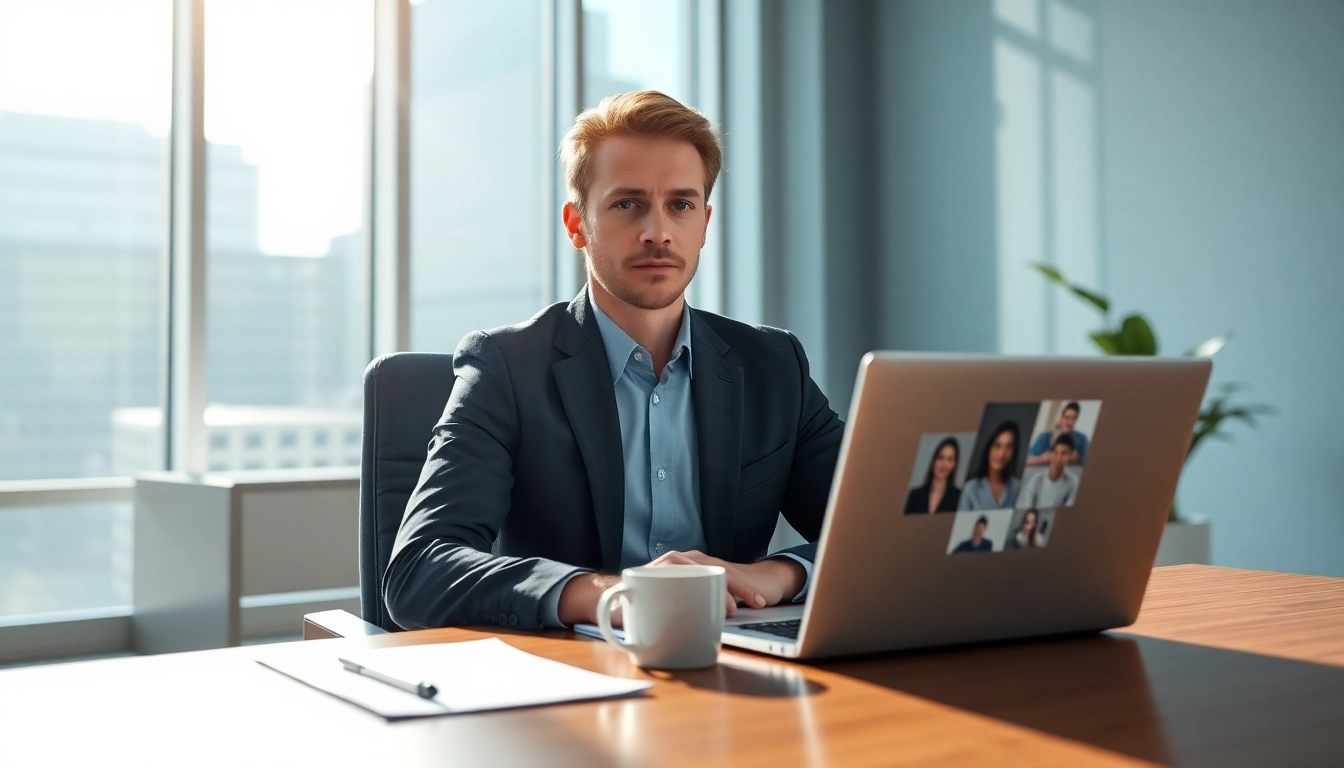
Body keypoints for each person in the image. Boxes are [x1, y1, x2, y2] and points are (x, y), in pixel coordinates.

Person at [383, 91, 845, 631]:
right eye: (627, 204)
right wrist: (608, 595)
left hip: (735, 666)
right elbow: (419, 570)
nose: (658, 231)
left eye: (681, 205)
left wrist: (778, 574)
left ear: (704, 223)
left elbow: (874, 532)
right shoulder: (505, 367)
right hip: (571, 677)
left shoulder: (773, 366)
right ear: (577, 224)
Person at [959, 422, 1021, 510]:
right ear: (989, 448)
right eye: (997, 446)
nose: (1001, 454)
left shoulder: (1017, 488)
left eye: (1008, 447)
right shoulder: (970, 489)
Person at [1016, 433, 1078, 509]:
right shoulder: (1037, 480)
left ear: (1070, 455)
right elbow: (1026, 506)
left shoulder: (1073, 482)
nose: (1058, 458)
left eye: (1063, 454)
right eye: (1056, 452)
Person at [904, 437, 962, 514]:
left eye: (949, 459)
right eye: (940, 458)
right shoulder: (914, 496)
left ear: (954, 464)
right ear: (934, 461)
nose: (944, 464)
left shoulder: (959, 498)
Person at [1027, 401, 1090, 466]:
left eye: (1074, 418)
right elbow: (1027, 460)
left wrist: (1076, 459)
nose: (1070, 423)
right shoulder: (1044, 437)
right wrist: (1043, 459)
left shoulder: (1082, 439)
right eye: (1067, 418)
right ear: (1061, 418)